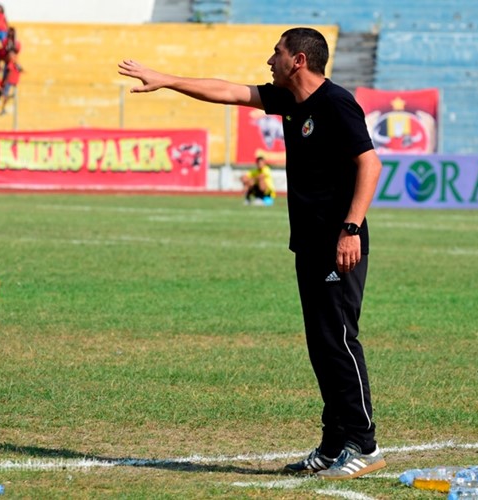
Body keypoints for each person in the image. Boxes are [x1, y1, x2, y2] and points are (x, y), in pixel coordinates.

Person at [118, 26, 385, 479]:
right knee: (321, 344)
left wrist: (351, 228)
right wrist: (166, 78)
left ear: (298, 60)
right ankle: (334, 441)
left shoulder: (336, 102)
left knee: (339, 339)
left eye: (276, 52)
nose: (269, 60)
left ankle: (364, 443)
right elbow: (226, 91)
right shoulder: (288, 100)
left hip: (339, 242)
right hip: (310, 242)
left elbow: (370, 162)